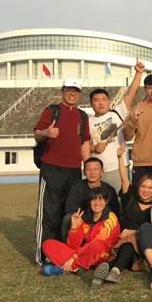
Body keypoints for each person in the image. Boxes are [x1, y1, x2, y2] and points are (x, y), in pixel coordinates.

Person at [34, 78, 91, 266]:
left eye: (76, 90)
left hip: (74, 171)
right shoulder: (52, 111)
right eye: (69, 90)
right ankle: (43, 255)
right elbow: (37, 133)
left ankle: (61, 253)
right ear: (63, 91)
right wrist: (46, 133)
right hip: (52, 168)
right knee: (48, 213)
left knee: (68, 213)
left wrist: (88, 165)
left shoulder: (82, 116)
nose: (72, 93)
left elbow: (84, 142)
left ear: (79, 94)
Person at [95, 145, 152, 284]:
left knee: (130, 243)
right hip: (121, 241)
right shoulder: (130, 198)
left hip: (140, 246)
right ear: (138, 187)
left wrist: (134, 232)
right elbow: (124, 179)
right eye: (143, 186)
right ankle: (112, 271)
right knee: (126, 245)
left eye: (150, 188)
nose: (146, 190)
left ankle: (109, 269)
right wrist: (119, 157)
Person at [41, 187, 120, 286]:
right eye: (93, 199)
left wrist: (73, 259)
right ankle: (77, 268)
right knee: (48, 244)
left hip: (102, 256)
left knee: (97, 245)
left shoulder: (110, 218)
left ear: (106, 201)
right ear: (89, 202)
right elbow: (73, 245)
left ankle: (65, 268)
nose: (96, 203)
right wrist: (74, 228)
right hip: (83, 255)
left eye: (100, 199)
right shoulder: (85, 217)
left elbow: (97, 243)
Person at [88, 60, 145, 193]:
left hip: (119, 167)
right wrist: (94, 148)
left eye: (104, 100)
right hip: (98, 171)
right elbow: (84, 146)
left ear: (109, 101)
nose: (101, 103)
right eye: (96, 100)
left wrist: (138, 73)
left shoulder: (117, 113)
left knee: (121, 200)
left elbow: (132, 92)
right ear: (91, 103)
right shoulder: (88, 121)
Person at [123, 74, 152, 192]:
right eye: (149, 88)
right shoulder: (137, 109)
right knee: (139, 197)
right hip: (141, 162)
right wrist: (133, 121)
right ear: (145, 89)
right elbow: (127, 136)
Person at [63, 157, 121, 240]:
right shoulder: (77, 186)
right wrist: (89, 219)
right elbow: (70, 208)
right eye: (89, 169)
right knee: (68, 218)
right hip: (82, 220)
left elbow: (115, 212)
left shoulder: (109, 190)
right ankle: (69, 245)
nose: (92, 172)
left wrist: (98, 218)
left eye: (95, 169)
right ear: (84, 172)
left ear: (102, 172)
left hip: (102, 222)